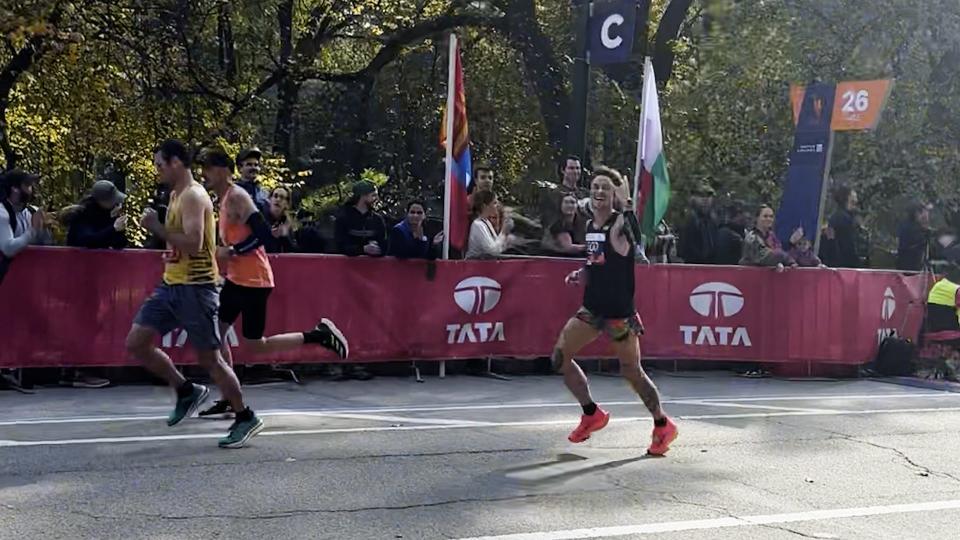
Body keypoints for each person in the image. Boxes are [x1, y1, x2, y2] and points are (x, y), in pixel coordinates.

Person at [125, 139, 261, 449]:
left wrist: (156, 227)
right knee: (136, 342)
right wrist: (169, 251)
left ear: (176, 163)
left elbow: (195, 243)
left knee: (210, 359)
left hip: (196, 288)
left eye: (160, 165)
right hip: (171, 284)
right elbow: (180, 246)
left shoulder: (193, 196)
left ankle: (245, 416)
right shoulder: (174, 194)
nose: (157, 171)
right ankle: (185, 389)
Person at [197, 149, 349, 417]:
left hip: (254, 280)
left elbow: (265, 236)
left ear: (221, 170)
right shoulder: (223, 199)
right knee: (216, 333)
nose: (202, 174)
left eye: (206, 169)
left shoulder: (238, 197)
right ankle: (229, 395)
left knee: (256, 345)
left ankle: (318, 335)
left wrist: (231, 252)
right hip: (237, 279)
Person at [551, 166, 677, 456]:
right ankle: (591, 413)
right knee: (559, 357)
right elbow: (595, 263)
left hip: (620, 314)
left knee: (632, 372)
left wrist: (629, 204)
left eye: (605, 188)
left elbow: (636, 237)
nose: (598, 192)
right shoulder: (592, 227)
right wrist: (580, 274)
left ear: (614, 194)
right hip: (592, 309)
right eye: (595, 187)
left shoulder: (621, 223)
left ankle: (662, 424)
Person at [65, 180, 128, 250]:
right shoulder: (84, 214)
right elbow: (88, 241)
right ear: (101, 201)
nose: (116, 204)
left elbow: (119, 244)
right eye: (113, 201)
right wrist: (113, 228)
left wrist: (116, 224)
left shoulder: (107, 213)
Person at [335, 181, 387, 257]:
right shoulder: (343, 218)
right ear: (363, 196)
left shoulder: (377, 219)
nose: (377, 199)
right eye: (373, 195)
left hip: (373, 267)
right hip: (348, 266)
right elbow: (340, 246)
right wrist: (362, 249)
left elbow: (385, 245)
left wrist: (378, 249)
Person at [740, 205, 797, 270]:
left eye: (771, 216)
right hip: (749, 276)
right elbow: (765, 257)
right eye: (765, 216)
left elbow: (778, 251)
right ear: (757, 218)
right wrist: (786, 258)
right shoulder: (752, 238)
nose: (768, 219)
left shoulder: (773, 237)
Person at [465, 190, 515, 259]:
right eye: (494, 203)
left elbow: (497, 245)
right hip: (475, 266)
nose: (497, 205)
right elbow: (493, 251)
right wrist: (503, 232)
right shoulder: (478, 225)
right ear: (484, 206)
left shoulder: (486, 222)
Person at [678, 183, 719, 264]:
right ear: (693, 198)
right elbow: (683, 250)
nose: (705, 200)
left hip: (710, 267)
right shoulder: (688, 220)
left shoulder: (712, 221)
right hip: (693, 268)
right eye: (701, 196)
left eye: (708, 196)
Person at [897, 201, 932, 271]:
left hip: (903, 264)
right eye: (921, 213)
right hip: (912, 266)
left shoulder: (904, 225)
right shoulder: (915, 230)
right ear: (916, 214)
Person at [235, 147, 271, 216]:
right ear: (240, 169)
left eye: (256, 165)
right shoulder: (233, 192)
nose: (254, 168)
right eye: (249, 164)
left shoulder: (264, 193)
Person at [265, 186, 298, 253]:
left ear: (287, 204)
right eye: (275, 196)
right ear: (270, 199)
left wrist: (284, 235)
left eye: (282, 197)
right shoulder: (260, 218)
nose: (278, 199)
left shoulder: (287, 223)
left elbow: (292, 252)